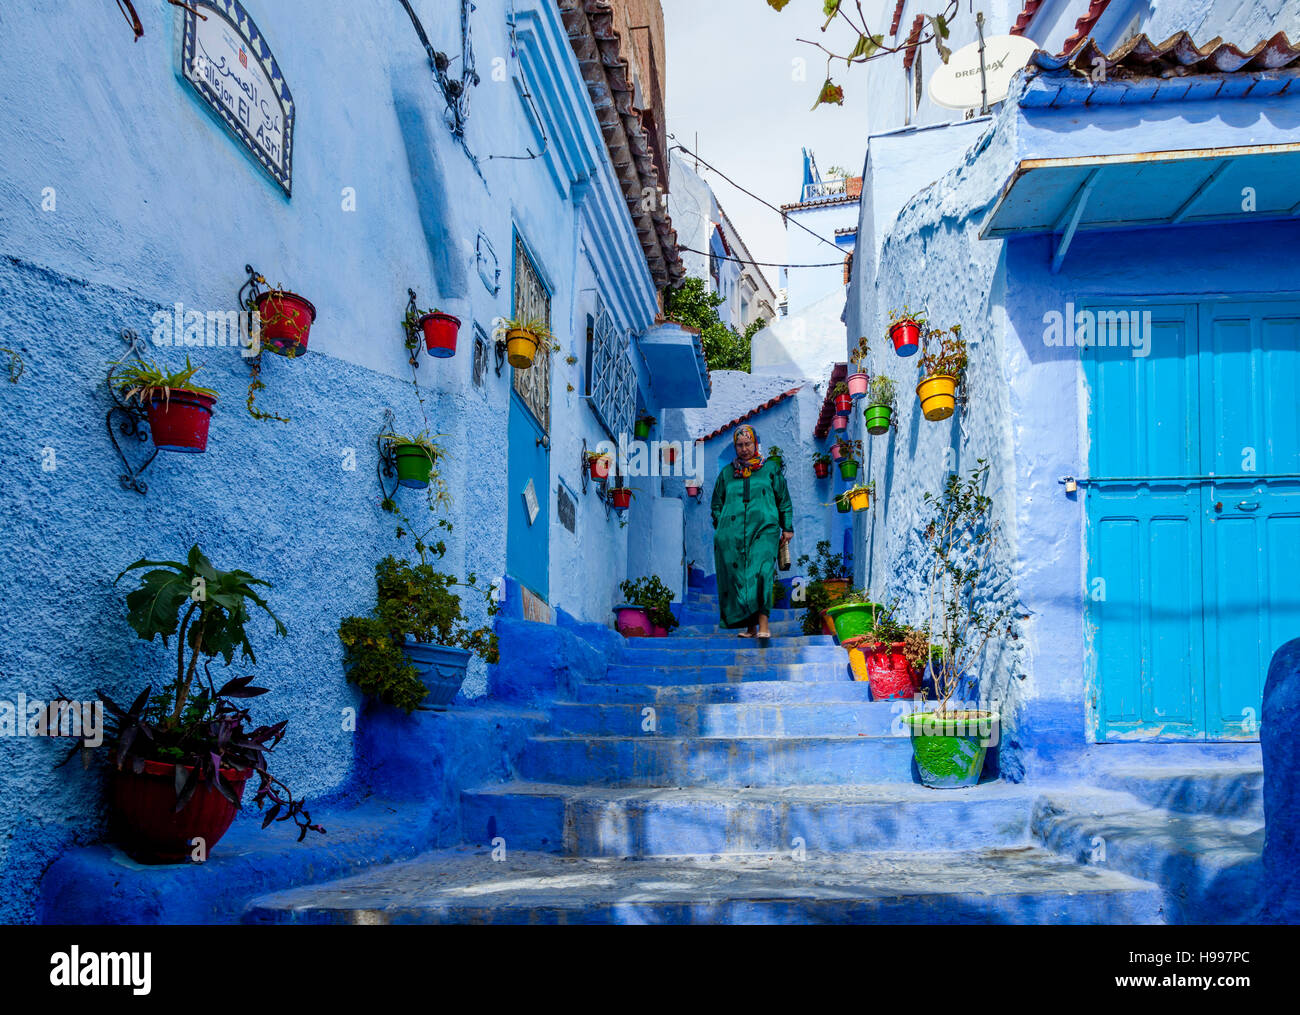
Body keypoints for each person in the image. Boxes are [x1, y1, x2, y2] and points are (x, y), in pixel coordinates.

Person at [710, 425, 794, 639]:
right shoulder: (727, 473)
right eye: (739, 445)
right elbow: (716, 504)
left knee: (763, 572)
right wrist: (722, 526)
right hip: (735, 533)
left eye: (748, 444)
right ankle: (750, 628)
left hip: (765, 530)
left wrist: (787, 527)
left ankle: (764, 624)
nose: (744, 449)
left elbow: (783, 498)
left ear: (755, 444)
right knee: (742, 576)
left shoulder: (770, 469)